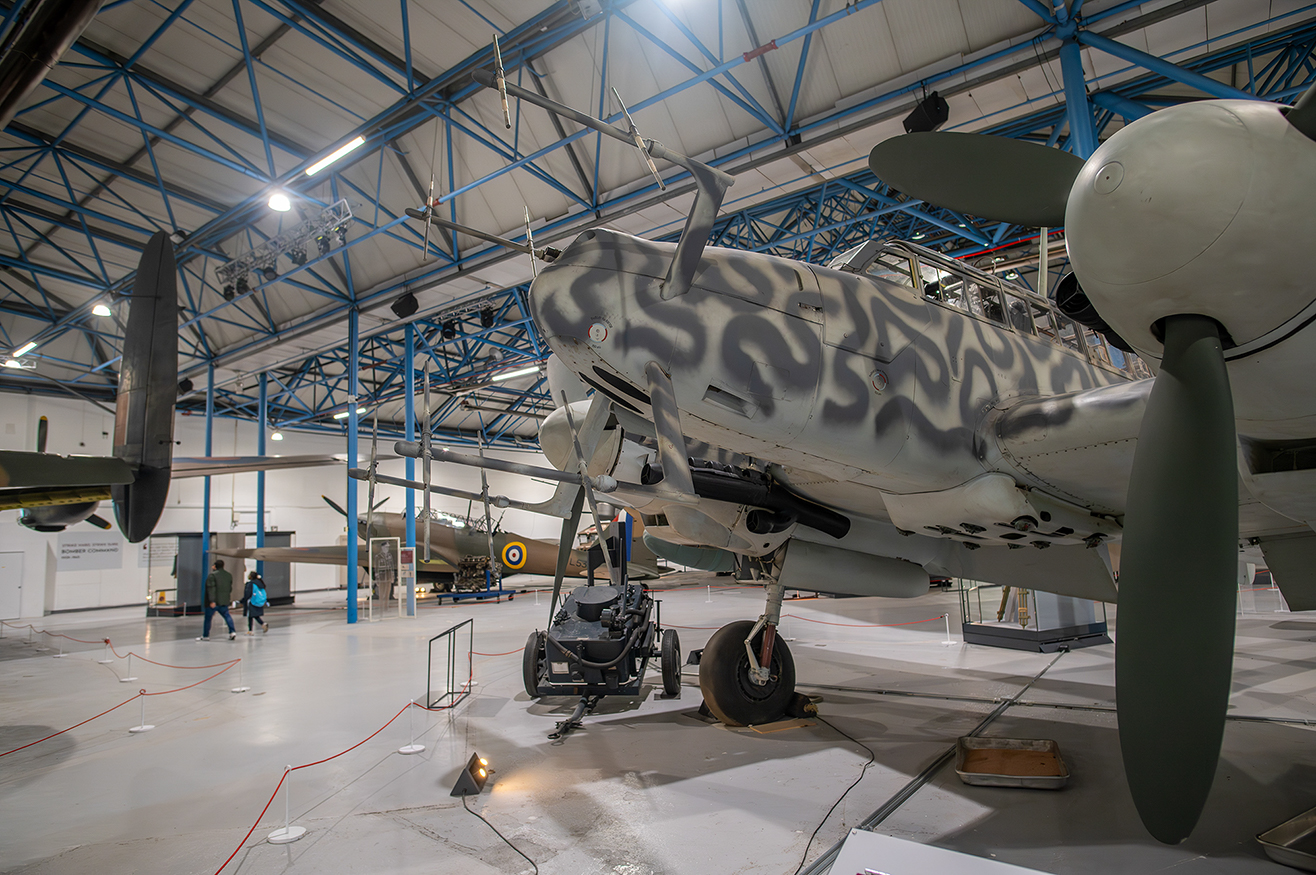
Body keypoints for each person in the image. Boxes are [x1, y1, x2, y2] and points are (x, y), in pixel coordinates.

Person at [199, 559, 236, 641]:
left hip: (214, 602)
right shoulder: (228, 575)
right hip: (224, 601)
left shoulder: (212, 576)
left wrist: (212, 600)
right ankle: (232, 631)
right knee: (227, 616)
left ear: (215, 566)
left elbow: (211, 589)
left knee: (208, 618)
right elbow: (229, 588)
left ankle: (205, 635)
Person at [241, 570, 269, 635]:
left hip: (253, 601)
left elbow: (248, 594)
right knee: (254, 615)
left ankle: (251, 630)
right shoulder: (260, 583)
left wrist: (242, 600)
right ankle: (259, 625)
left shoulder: (251, 584)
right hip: (259, 601)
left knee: (251, 616)